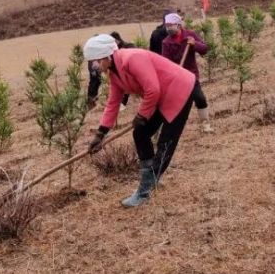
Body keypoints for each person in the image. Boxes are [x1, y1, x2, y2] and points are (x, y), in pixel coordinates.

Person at [85, 34, 200, 208]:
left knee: (165, 143)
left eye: (95, 61)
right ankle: (151, 178)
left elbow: (152, 89)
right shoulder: (114, 73)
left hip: (179, 90)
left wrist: (142, 116)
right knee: (140, 133)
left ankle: (145, 190)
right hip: (162, 96)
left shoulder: (132, 58)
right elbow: (113, 102)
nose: (94, 67)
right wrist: (101, 133)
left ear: (105, 56)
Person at [161, 13, 213, 133]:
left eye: (170, 25)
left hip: (191, 75)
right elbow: (165, 63)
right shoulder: (166, 42)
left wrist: (195, 44)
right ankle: (174, 129)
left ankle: (205, 123)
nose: (168, 28)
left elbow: (204, 49)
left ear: (178, 25)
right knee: (179, 105)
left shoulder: (190, 35)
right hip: (177, 78)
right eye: (167, 26)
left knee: (200, 98)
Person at [87, 32, 130, 110]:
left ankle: (122, 103)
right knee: (94, 82)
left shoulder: (124, 48)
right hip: (99, 69)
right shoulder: (95, 52)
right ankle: (91, 101)